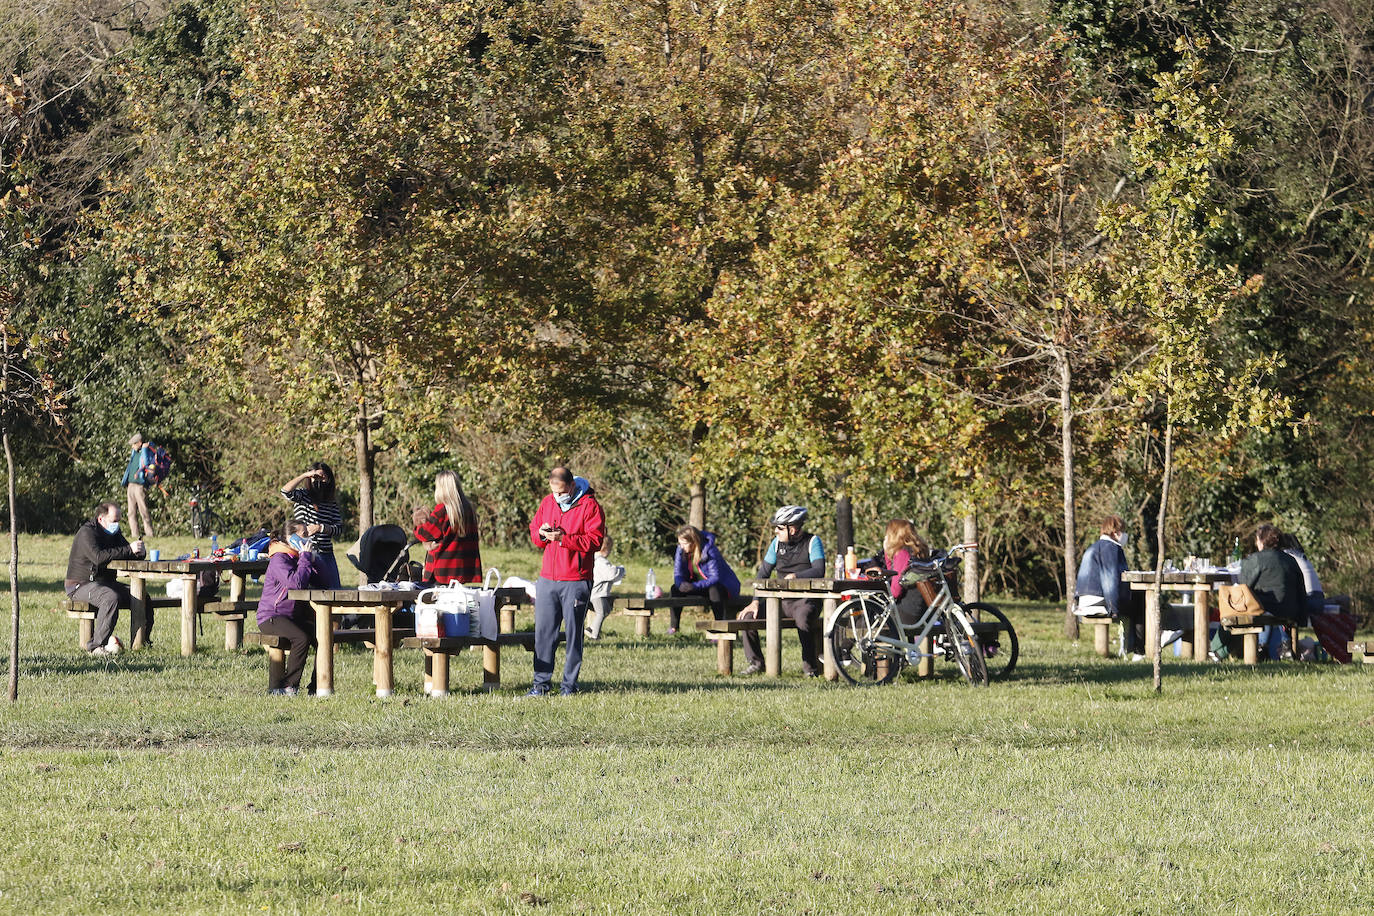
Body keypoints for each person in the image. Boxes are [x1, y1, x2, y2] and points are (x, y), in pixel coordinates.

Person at [527, 466, 605, 696]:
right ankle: (540, 685)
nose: (557, 496)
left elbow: (595, 540)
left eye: (561, 491)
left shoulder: (590, 505)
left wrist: (564, 539)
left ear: (571, 485)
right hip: (547, 579)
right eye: (553, 491)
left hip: (576, 579)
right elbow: (534, 530)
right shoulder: (547, 502)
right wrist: (541, 534)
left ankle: (569, 686)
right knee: (543, 634)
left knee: (573, 635)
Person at [738, 506, 827, 677]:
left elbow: (819, 570)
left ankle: (810, 667)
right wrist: (755, 601)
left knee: (803, 620)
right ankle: (756, 663)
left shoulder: (813, 541)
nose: (775, 531)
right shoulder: (776, 544)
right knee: (747, 617)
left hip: (805, 601)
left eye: (779, 528)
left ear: (792, 529)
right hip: (780, 602)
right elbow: (763, 574)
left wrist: (796, 576)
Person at [64, 502, 145, 656]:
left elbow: (126, 551)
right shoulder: (87, 533)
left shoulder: (114, 533)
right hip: (80, 585)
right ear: (101, 519)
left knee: (141, 595)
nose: (117, 524)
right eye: (114, 520)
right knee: (110, 598)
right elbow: (98, 557)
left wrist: (139, 552)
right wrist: (129, 549)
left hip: (106, 583)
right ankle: (96, 647)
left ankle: (142, 643)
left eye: (119, 520)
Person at [255, 524, 321, 695]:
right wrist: (305, 557)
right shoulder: (279, 559)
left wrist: (314, 558)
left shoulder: (297, 557)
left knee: (323, 638)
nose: (308, 537)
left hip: (292, 617)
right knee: (301, 638)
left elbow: (323, 580)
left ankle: (318, 686)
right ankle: (288, 686)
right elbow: (296, 584)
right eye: (304, 534)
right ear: (291, 539)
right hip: (271, 616)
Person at [1075, 515, 1144, 658]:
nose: (1124, 535)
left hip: (1085, 600)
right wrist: (1114, 608)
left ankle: (1134, 647)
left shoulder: (1095, 546)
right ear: (1115, 532)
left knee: (1136, 599)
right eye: (1122, 531)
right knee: (1141, 602)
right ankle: (1139, 650)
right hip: (1100, 600)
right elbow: (1110, 580)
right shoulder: (1110, 548)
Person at [1241, 523, 1306, 660]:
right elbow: (1301, 587)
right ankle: (1286, 646)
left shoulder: (1257, 559)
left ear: (1261, 541)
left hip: (1269, 608)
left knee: (1259, 607)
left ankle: (1261, 648)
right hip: (1292, 609)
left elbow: (1244, 586)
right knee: (1276, 606)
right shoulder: (1291, 560)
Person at [279, 463, 344, 589]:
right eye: (316, 477)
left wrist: (321, 528)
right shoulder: (303, 496)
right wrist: (305, 475)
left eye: (323, 477)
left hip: (326, 553)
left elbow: (339, 528)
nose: (320, 481)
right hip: (306, 551)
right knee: (310, 590)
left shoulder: (331, 501)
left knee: (334, 590)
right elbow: (285, 492)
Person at [412, 470, 482, 585]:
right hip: (462, 568)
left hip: (443, 570)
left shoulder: (443, 510)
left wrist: (418, 521)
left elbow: (425, 533)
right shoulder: (469, 509)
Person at [670, 525, 741, 634]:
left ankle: (719, 628)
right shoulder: (680, 550)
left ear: (693, 542)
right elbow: (677, 573)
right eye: (680, 543)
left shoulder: (710, 550)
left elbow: (715, 578)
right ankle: (674, 628)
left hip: (723, 587)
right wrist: (681, 584)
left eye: (684, 543)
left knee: (714, 589)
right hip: (700, 586)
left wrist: (694, 586)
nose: (681, 546)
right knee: (675, 589)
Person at [878, 519, 930, 625]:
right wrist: (887, 554)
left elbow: (895, 592)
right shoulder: (918, 551)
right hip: (922, 611)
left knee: (865, 618)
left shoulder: (902, 554)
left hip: (907, 613)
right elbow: (893, 574)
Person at [585, 535, 626, 640]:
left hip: (597, 592)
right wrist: (621, 570)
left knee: (607, 609)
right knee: (601, 612)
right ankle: (594, 635)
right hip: (598, 594)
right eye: (610, 549)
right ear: (605, 549)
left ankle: (592, 628)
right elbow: (611, 573)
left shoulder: (594, 559)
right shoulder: (601, 561)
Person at [120, 433, 155, 541]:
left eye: (134, 444)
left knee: (143, 510)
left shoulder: (147, 452)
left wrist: (144, 449)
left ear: (139, 443)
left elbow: (147, 462)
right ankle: (134, 534)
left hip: (140, 486)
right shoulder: (134, 453)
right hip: (130, 485)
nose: (132, 447)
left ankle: (149, 534)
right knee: (131, 512)